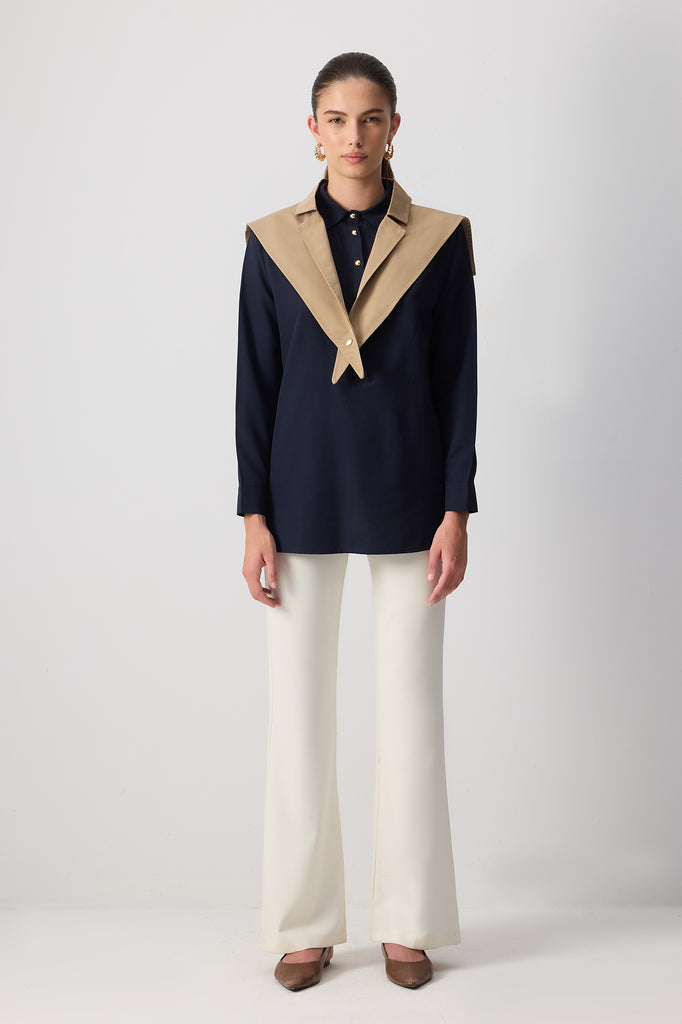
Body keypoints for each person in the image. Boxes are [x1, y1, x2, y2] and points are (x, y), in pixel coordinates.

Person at [235, 51, 478, 992]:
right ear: (313, 130)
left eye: (371, 118)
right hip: (297, 494)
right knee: (297, 714)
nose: (354, 136)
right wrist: (252, 512)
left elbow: (459, 380)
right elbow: (254, 381)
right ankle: (304, 925)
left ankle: (409, 921)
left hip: (411, 491)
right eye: (336, 119)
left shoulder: (442, 239)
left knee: (411, 711)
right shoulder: (270, 242)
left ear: (394, 128)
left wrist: (457, 505)